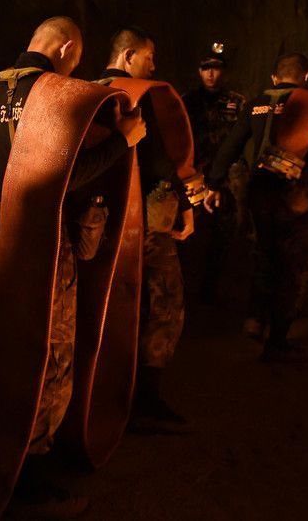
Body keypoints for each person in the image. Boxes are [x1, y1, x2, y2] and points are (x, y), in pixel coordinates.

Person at [0, 16, 145, 516]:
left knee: (6, 352)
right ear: (67, 48)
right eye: (77, 58)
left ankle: (2, 455)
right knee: (49, 357)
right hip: (42, 246)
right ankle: (29, 475)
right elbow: (61, 178)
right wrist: (121, 142)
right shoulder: (54, 92)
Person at [206, 53, 308, 362]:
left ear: (274, 77)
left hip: (260, 190)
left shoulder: (256, 104)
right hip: (293, 195)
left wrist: (214, 181)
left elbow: (231, 145)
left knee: (264, 252)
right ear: (306, 77)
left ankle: (254, 319)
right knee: (293, 264)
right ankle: (278, 339)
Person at [97, 27, 194, 434]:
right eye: (149, 57)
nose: (153, 66)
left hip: (101, 221)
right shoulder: (141, 96)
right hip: (147, 220)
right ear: (128, 56)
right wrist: (184, 205)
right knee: (163, 304)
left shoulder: (89, 92)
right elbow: (159, 160)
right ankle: (144, 399)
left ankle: (102, 392)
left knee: (110, 302)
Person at [180, 43, 247, 299]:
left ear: (224, 72)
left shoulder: (237, 102)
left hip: (226, 178)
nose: (210, 74)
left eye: (216, 68)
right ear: (199, 71)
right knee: (190, 230)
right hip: (194, 176)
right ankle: (186, 285)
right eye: (206, 68)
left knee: (224, 233)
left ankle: (214, 287)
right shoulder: (186, 101)